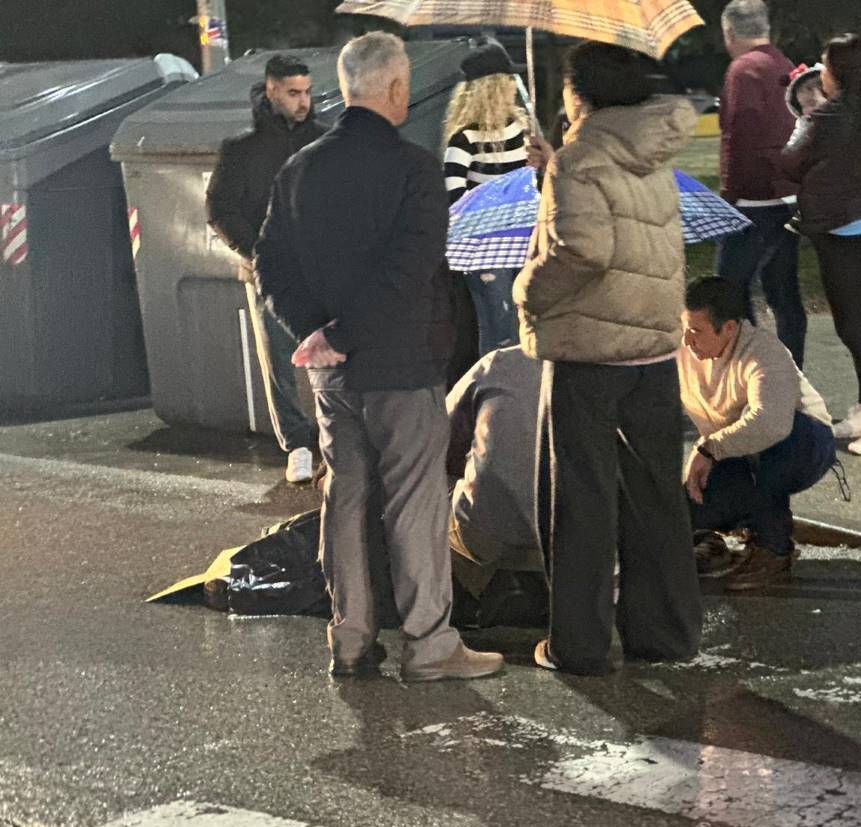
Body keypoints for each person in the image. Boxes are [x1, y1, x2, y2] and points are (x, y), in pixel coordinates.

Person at [255, 32, 505, 680]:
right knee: (415, 505)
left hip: (332, 375)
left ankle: (351, 637)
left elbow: (269, 264)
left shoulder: (300, 168)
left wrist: (314, 330)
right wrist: (343, 332)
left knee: (346, 499)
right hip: (401, 363)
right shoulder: (414, 171)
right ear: (396, 90)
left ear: (344, 88)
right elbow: (408, 271)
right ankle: (429, 643)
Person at [514, 41, 702, 676]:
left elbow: (584, 252)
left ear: (577, 94)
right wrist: (554, 171)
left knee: (582, 500)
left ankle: (579, 643)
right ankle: (666, 632)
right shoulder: (649, 149)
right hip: (650, 348)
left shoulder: (583, 157)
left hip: (589, 353)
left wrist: (526, 289)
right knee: (655, 497)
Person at [780, 35, 861, 457]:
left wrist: (804, 115)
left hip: (842, 228)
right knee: (858, 321)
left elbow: (791, 162)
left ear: (837, 70)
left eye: (824, 63)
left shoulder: (833, 114)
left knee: (855, 328)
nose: (820, 70)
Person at [206, 55, 323, 483]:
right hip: (267, 270)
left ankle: (333, 438)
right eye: (293, 92)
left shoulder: (324, 141)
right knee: (278, 360)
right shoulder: (242, 150)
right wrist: (256, 252)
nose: (303, 101)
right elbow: (220, 208)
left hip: (319, 269)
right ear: (271, 90)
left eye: (307, 92)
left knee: (331, 354)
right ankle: (298, 445)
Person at [679, 277, 836, 591]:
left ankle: (774, 549)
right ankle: (711, 540)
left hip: (803, 444)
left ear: (730, 328)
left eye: (696, 331)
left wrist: (709, 448)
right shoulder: (682, 352)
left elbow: (772, 422)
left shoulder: (763, 351)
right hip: (731, 451)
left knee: (780, 449)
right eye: (684, 328)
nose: (686, 340)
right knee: (691, 501)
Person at [715, 0, 806, 369]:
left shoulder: (743, 71)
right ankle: (791, 370)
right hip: (787, 194)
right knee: (783, 291)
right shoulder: (783, 65)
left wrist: (730, 194)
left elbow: (741, 133)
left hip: (753, 199)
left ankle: (751, 368)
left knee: (729, 292)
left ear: (730, 32)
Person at [445, 346, 547, 626]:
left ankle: (480, 587)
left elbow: (439, 439)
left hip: (486, 534)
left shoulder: (497, 364)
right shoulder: (605, 367)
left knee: (425, 485)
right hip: (573, 539)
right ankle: (534, 584)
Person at [443, 40, 530, 355]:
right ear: (494, 86)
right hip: (491, 247)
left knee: (513, 327)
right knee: (501, 328)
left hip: (512, 244)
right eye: (507, 81)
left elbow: (532, 184)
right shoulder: (466, 138)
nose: (512, 87)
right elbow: (456, 199)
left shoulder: (522, 130)